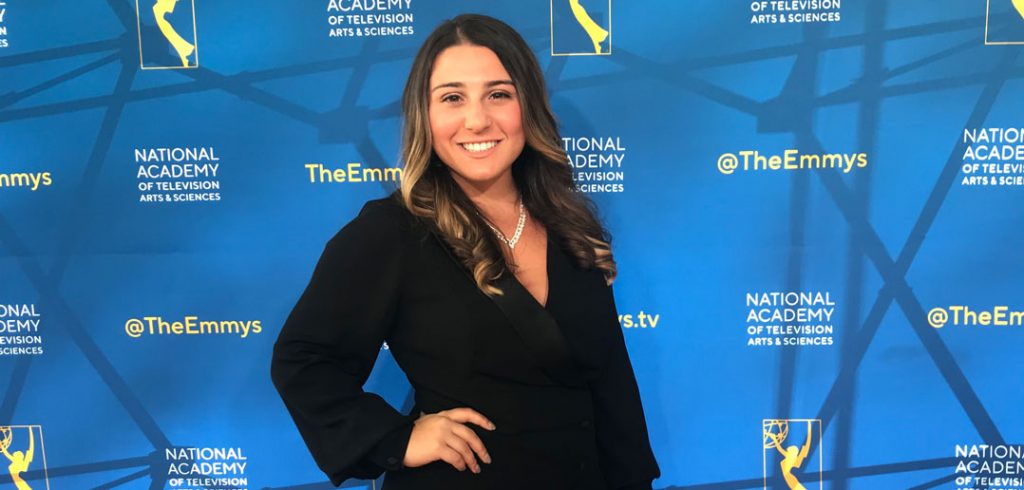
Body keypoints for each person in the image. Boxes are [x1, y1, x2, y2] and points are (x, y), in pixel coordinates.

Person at [270, 13, 660, 490]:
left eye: (498, 94)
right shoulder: (391, 231)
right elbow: (304, 360)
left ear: (528, 107)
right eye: (452, 98)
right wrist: (395, 439)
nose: (477, 119)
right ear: (425, 115)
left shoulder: (566, 222)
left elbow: (610, 378)